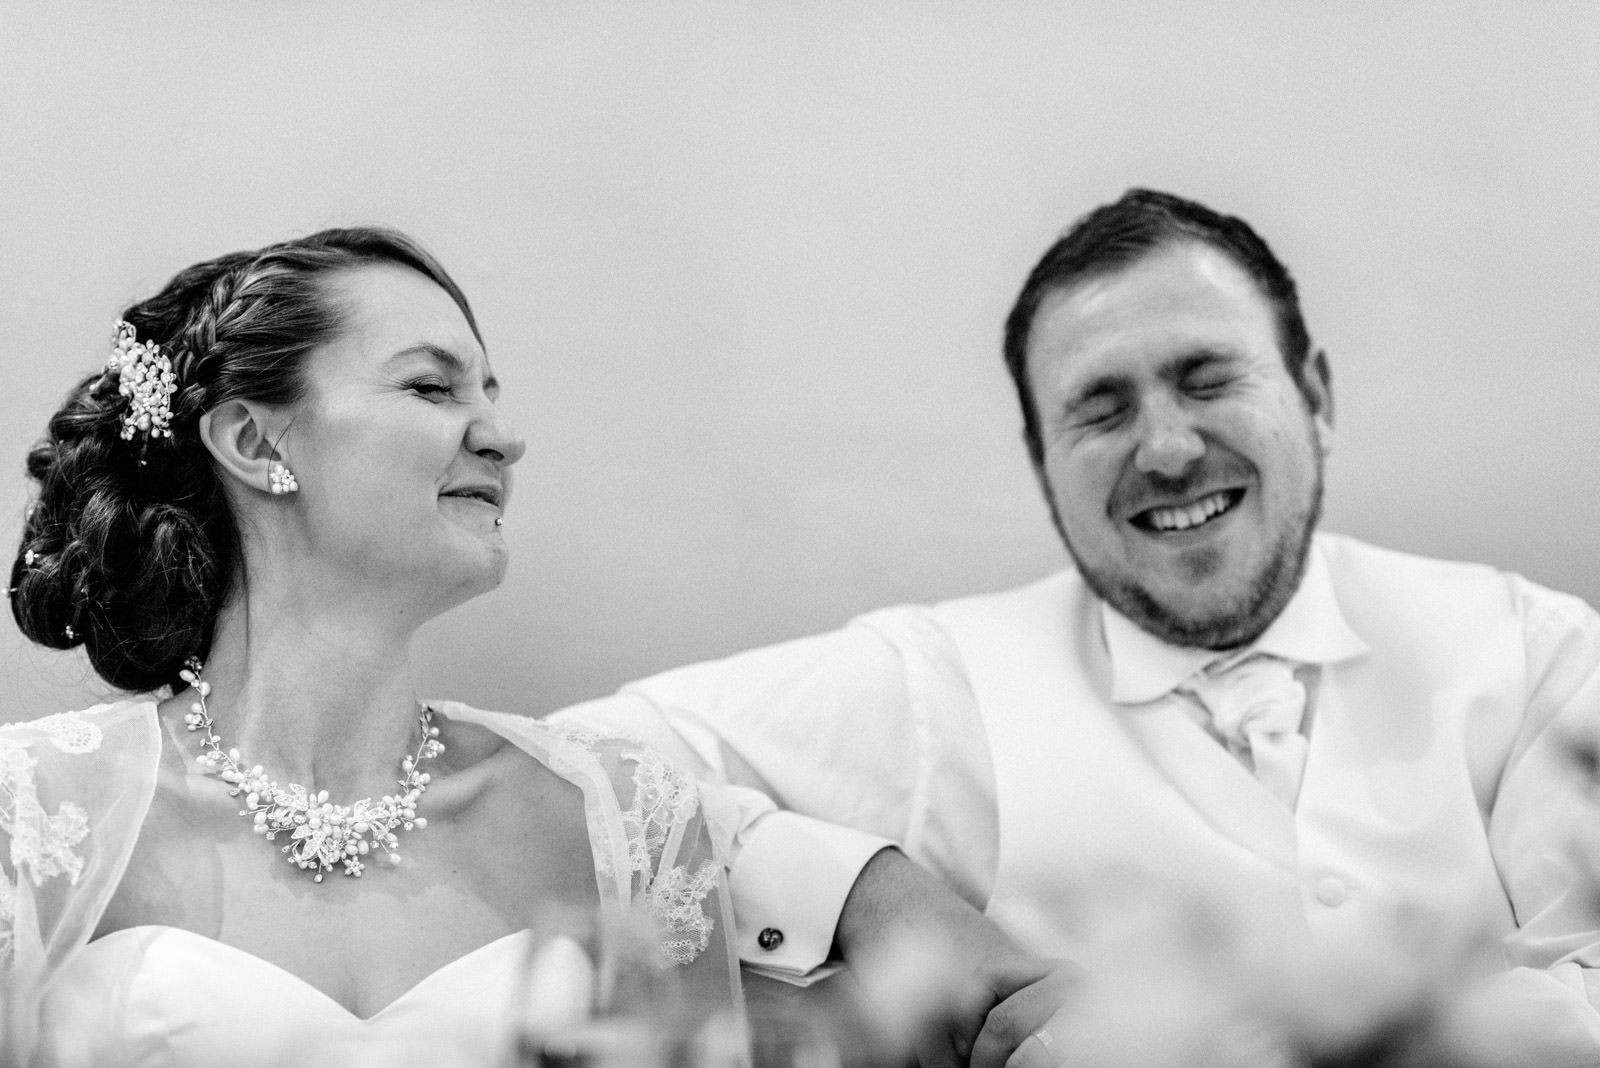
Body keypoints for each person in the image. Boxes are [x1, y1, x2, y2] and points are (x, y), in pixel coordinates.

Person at [556, 189, 1600, 1064]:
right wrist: (865, 896)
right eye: (1100, 410)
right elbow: (564, 765)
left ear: (1314, 395)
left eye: (1206, 378)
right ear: (1041, 459)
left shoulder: (1532, 650)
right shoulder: (932, 686)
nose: (1168, 449)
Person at [0, 228, 745, 1066]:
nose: (502, 438)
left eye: (489, 398)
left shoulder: (620, 817)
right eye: (431, 387)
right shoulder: (31, 816)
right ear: (253, 442)